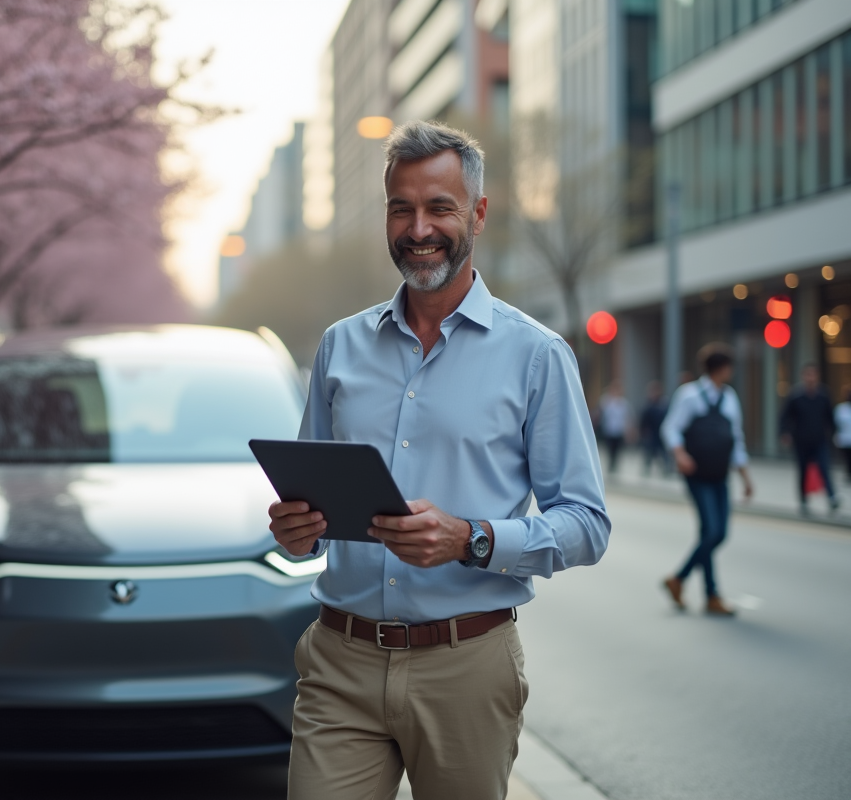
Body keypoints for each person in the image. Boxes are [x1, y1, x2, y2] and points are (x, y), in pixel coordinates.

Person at [267, 121, 610, 800]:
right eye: (402, 208)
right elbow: (309, 509)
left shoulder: (536, 355)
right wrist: (295, 530)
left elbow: (586, 524)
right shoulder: (340, 347)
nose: (418, 228)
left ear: (477, 213)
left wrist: (471, 538)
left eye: (439, 208)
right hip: (340, 663)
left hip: (467, 666)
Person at [660, 344, 754, 616]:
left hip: (720, 474)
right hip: (697, 475)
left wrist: (745, 476)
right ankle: (709, 593)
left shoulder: (729, 397)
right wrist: (680, 456)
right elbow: (671, 428)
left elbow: (735, 438)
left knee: (715, 533)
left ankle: (681, 581)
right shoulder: (689, 395)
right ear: (721, 368)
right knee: (712, 532)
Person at [780, 364, 838, 514]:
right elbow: (785, 417)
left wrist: (834, 433)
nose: (810, 378)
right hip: (801, 440)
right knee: (803, 471)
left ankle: (832, 497)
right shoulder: (796, 396)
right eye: (808, 375)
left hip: (819, 439)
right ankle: (804, 500)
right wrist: (785, 433)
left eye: (813, 375)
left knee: (824, 469)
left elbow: (830, 417)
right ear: (803, 377)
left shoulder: (823, 395)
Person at [598, 381, 631, 474]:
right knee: (609, 448)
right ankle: (610, 464)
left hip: (619, 430)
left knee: (618, 449)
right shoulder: (606, 401)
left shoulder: (623, 403)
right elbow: (601, 413)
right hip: (609, 430)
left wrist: (628, 430)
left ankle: (615, 464)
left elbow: (627, 417)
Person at [639, 380, 670, 476]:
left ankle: (666, 469)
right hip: (652, 433)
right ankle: (646, 469)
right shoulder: (649, 405)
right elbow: (643, 420)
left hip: (661, 432)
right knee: (649, 452)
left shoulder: (663, 404)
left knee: (663, 452)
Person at [834, 386, 851, 483]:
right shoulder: (841, 409)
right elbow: (836, 423)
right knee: (847, 458)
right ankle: (848, 473)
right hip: (844, 439)